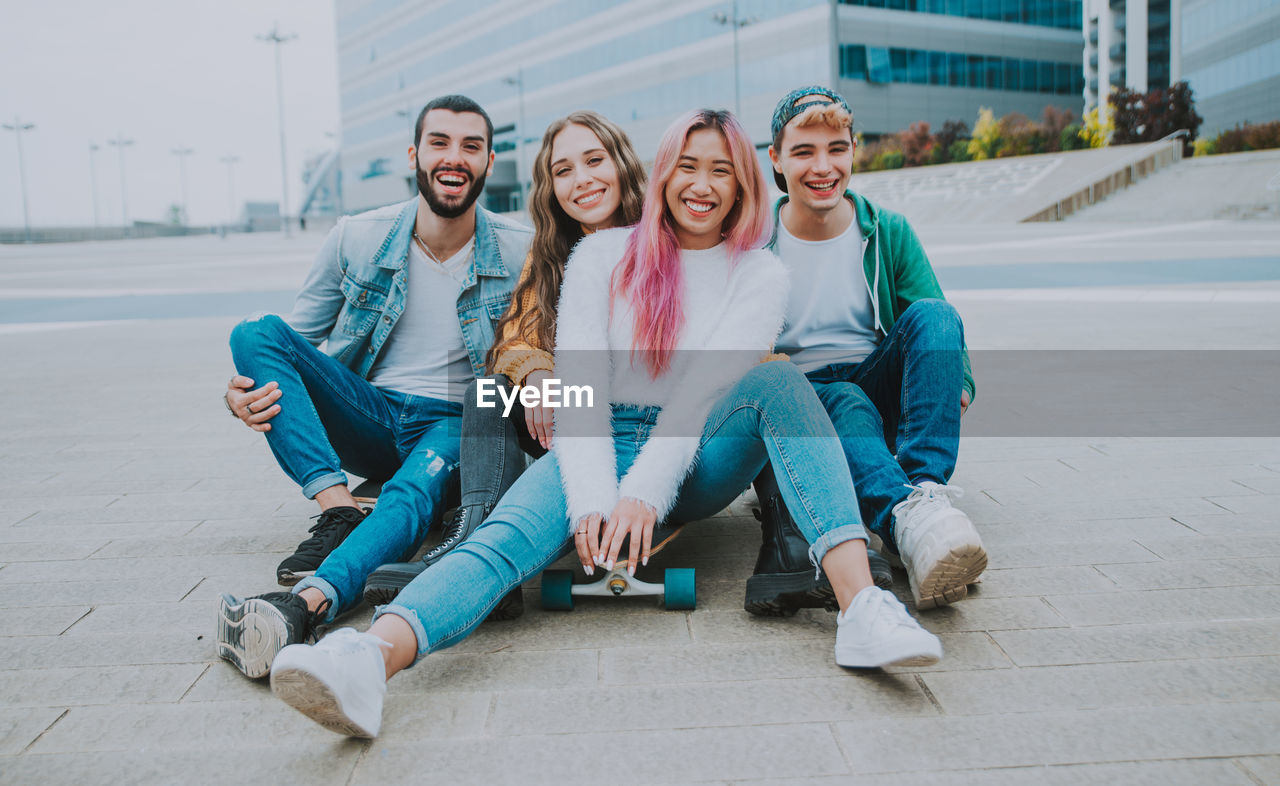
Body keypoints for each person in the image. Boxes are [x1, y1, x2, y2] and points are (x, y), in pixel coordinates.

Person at [264, 109, 944, 739]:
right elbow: (581, 391)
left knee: (778, 380)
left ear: (744, 184)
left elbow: (696, 401)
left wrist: (641, 497)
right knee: (501, 541)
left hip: (696, 454)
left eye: (721, 170)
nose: (702, 185)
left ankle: (862, 610)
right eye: (688, 165)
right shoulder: (603, 256)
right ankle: (369, 659)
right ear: (664, 172)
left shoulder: (759, 275)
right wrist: (593, 503)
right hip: (596, 438)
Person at [215, 94, 532, 679]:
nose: (454, 158)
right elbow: (292, 348)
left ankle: (306, 605)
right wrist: (238, 395)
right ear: (415, 153)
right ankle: (338, 509)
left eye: (471, 146)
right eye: (439, 143)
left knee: (411, 495)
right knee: (254, 332)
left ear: (489, 160)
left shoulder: (520, 250)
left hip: (457, 422)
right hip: (372, 413)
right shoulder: (356, 237)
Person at [360, 110, 648, 615]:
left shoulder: (660, 239)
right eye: (563, 171)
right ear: (550, 187)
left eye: (594, 161)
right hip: (573, 408)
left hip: (640, 418)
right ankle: (473, 539)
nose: (581, 180)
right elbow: (513, 338)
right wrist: (536, 371)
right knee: (488, 389)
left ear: (622, 164)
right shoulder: (553, 251)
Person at [758, 86, 985, 613]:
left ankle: (925, 495)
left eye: (837, 148)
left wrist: (960, 381)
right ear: (776, 158)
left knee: (936, 317)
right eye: (804, 151)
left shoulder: (887, 230)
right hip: (804, 399)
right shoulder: (754, 237)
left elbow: (932, 310)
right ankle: (908, 520)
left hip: (874, 379)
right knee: (844, 399)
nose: (823, 166)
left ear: (854, 149)